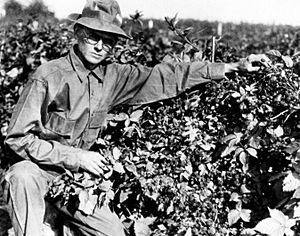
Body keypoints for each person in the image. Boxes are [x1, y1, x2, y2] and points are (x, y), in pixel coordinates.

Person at [2, 0, 270, 235]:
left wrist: (231, 66)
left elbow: (166, 76)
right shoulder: (48, 76)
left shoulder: (112, 76)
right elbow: (17, 138)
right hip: (37, 170)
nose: (99, 46)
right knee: (22, 176)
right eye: (93, 36)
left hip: (74, 179)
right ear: (79, 33)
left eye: (108, 41)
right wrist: (78, 157)